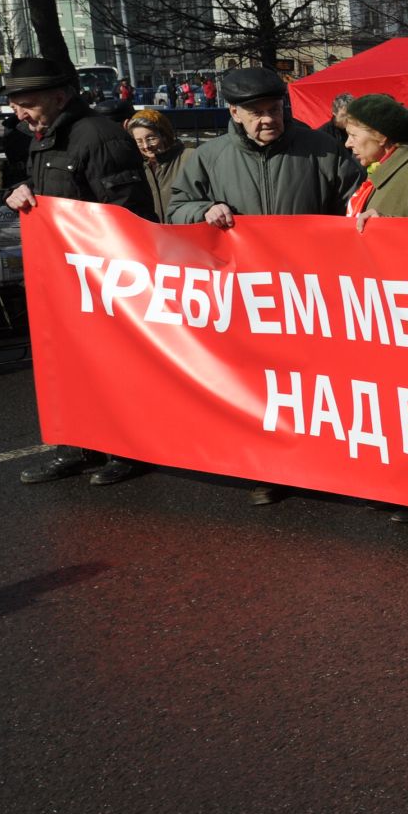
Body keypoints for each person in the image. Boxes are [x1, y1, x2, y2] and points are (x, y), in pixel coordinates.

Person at [169, 67, 364, 506]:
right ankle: (270, 469)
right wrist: (204, 209)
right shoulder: (208, 157)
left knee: (316, 385)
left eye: (274, 110)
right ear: (234, 113)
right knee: (261, 387)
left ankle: (329, 464)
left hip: (313, 293)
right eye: (255, 113)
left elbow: (354, 202)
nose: (267, 120)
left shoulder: (322, 151)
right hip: (247, 297)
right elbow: (176, 208)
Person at [1, 57, 155, 487]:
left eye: (27, 104)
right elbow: (39, 188)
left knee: (113, 366)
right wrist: (18, 192)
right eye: (16, 105)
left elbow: (129, 213)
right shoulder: (43, 135)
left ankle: (129, 450)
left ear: (59, 96)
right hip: (64, 275)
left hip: (104, 276)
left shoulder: (98, 136)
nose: (19, 114)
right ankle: (75, 447)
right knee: (67, 364)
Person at [342, 94, 408, 223]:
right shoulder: (378, 168)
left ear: (381, 137)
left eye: (353, 135)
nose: (347, 144)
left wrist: (385, 224)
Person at [125, 108, 187, 223]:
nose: (146, 146)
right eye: (139, 141)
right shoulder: (138, 167)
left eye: (151, 138)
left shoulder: (189, 158)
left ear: (165, 135)